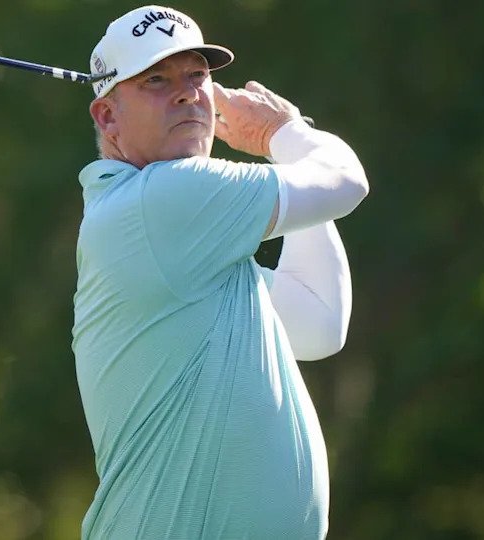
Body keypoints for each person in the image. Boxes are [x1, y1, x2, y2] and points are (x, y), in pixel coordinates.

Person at [71, 5, 369, 539]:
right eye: (156, 80)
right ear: (108, 117)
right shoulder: (161, 201)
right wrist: (283, 134)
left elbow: (319, 322)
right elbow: (345, 182)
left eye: (197, 75)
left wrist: (283, 153)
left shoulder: (192, 248)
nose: (187, 93)